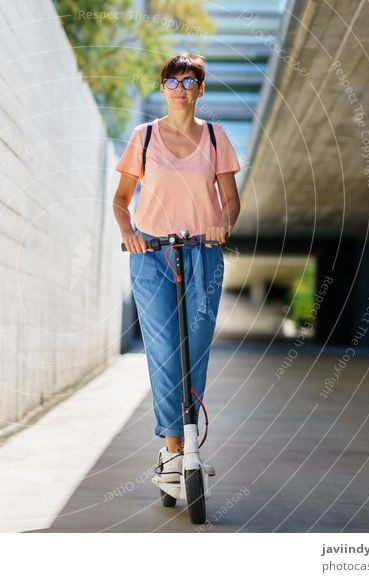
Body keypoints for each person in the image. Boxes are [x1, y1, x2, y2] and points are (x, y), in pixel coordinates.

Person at [112, 53, 241, 483]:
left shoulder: (217, 137)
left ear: (200, 90)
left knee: (196, 350)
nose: (181, 89)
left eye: (189, 82)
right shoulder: (143, 137)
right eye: (173, 81)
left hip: (203, 254)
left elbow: (231, 199)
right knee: (165, 352)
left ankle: (185, 442)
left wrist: (224, 224)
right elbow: (120, 199)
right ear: (162, 88)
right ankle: (173, 450)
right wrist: (129, 231)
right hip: (150, 257)